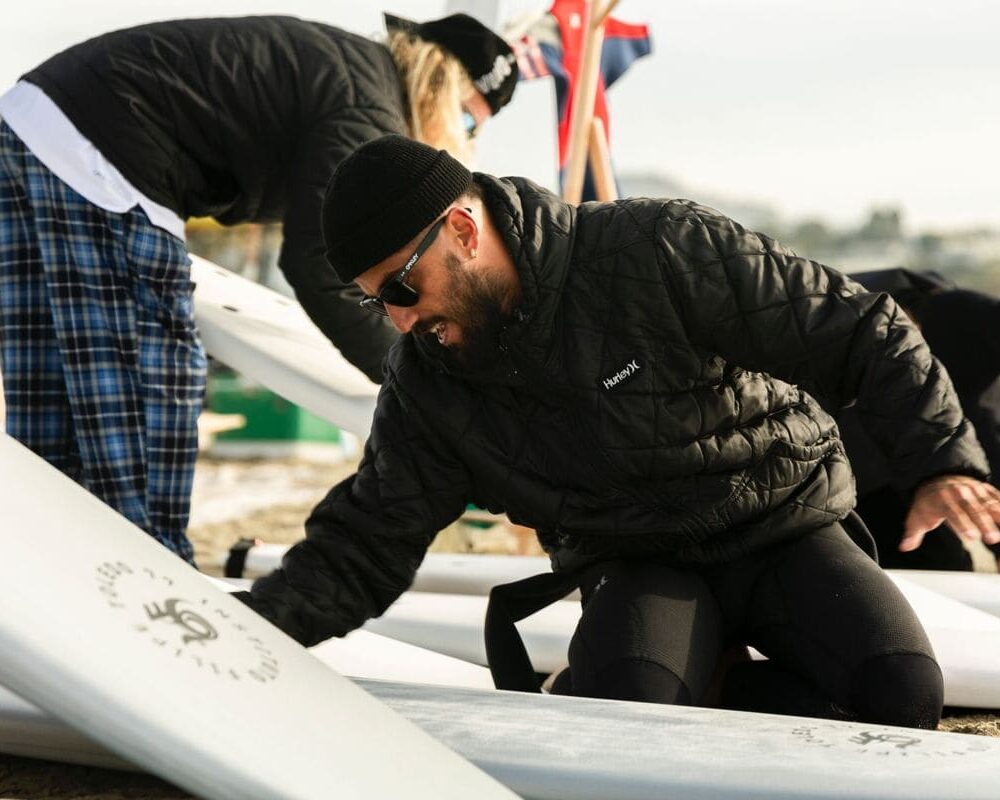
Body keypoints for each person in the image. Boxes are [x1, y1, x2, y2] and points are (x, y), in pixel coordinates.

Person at [236, 135, 1000, 730]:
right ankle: (672, 683)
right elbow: (368, 539)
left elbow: (862, 329)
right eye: (380, 304)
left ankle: (713, 687)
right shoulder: (428, 380)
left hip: (779, 523)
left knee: (902, 692)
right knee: (628, 712)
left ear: (464, 230)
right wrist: (241, 633)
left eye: (403, 287)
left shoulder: (654, 247)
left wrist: (942, 460)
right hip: (634, 559)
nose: (401, 319)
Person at [0, 14, 518, 563]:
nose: (461, 135)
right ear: (438, 81)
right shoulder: (365, 106)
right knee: (150, 374)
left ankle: (50, 570)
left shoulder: (349, 72)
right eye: (466, 117)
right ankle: (145, 573)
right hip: (101, 146)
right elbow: (319, 265)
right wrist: (424, 376)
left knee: (49, 393)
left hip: (30, 123)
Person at [836, 268, 1000, 570]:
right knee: (933, 564)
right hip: (860, 458)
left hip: (887, 447)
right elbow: (973, 426)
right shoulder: (964, 320)